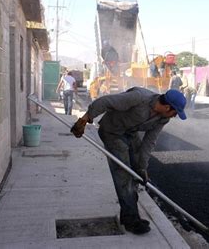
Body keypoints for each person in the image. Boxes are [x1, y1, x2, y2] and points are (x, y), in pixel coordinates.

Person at [70, 87, 187, 234]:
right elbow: (105, 101)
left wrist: (142, 168)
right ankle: (131, 220)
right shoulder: (138, 98)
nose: (175, 116)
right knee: (124, 173)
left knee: (136, 172)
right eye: (175, 112)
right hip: (112, 131)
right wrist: (84, 120)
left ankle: (128, 211)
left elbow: (149, 142)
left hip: (130, 134)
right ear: (167, 107)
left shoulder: (163, 118)